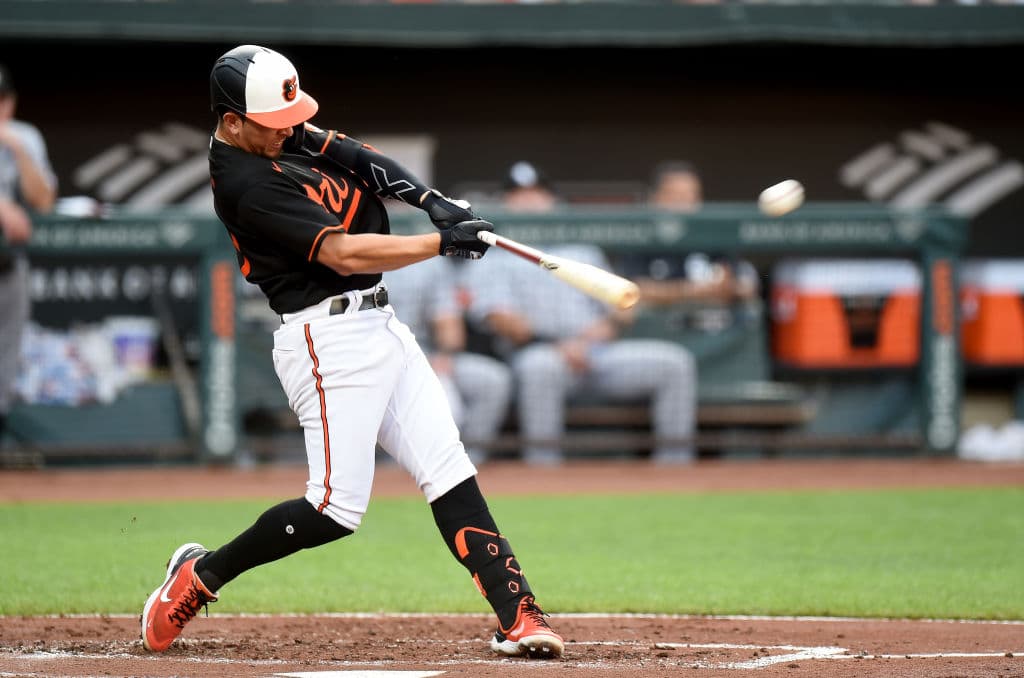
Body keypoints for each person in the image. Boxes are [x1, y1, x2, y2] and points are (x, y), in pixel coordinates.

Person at [140, 45, 562, 660]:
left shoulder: (275, 131)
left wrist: (431, 201)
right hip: (325, 338)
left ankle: (517, 613)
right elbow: (341, 253)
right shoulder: (245, 182)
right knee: (335, 509)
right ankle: (200, 577)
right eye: (273, 123)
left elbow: (353, 153)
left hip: (380, 323)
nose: (290, 130)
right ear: (232, 122)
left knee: (447, 466)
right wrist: (440, 243)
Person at [464, 161, 698, 466]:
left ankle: (676, 468)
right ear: (505, 203)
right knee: (540, 369)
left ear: (552, 200)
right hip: (541, 355)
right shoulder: (493, 253)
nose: (530, 202)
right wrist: (561, 346)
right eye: (519, 195)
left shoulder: (582, 248)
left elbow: (624, 307)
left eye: (537, 194)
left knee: (673, 364)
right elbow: (502, 321)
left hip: (599, 354)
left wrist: (591, 339)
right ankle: (543, 470)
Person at [383, 256, 513, 465]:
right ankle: (393, 474)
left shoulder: (427, 264)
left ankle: (467, 464)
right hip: (369, 359)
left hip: (421, 354)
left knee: (491, 380)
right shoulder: (348, 259)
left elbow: (448, 322)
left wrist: (444, 355)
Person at [0, 64, 57, 444]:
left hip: (7, 262)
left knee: (5, 354)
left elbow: (43, 201)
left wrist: (17, 150)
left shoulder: (23, 137)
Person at [616, 160, 759, 309]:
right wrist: (690, 291)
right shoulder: (641, 235)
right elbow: (632, 290)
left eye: (690, 196)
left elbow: (745, 286)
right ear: (656, 199)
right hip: (658, 328)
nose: (684, 204)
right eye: (675, 196)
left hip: (711, 325)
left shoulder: (714, 235)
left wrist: (730, 287)